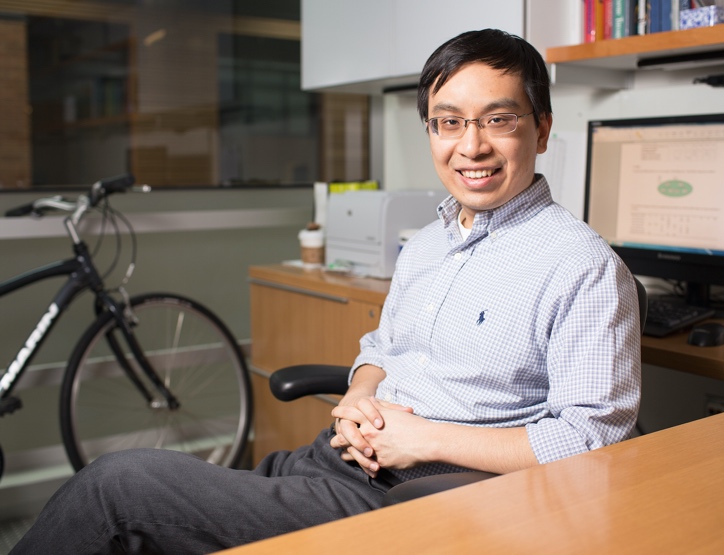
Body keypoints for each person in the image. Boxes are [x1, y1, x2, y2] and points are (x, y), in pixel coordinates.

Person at [12, 28, 640, 554]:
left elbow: (592, 440)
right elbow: (383, 346)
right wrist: (359, 396)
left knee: (118, 488)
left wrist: (424, 439)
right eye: (448, 123)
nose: (470, 146)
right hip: (335, 456)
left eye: (497, 121)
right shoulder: (430, 242)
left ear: (542, 127)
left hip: (409, 493)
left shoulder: (580, 266)